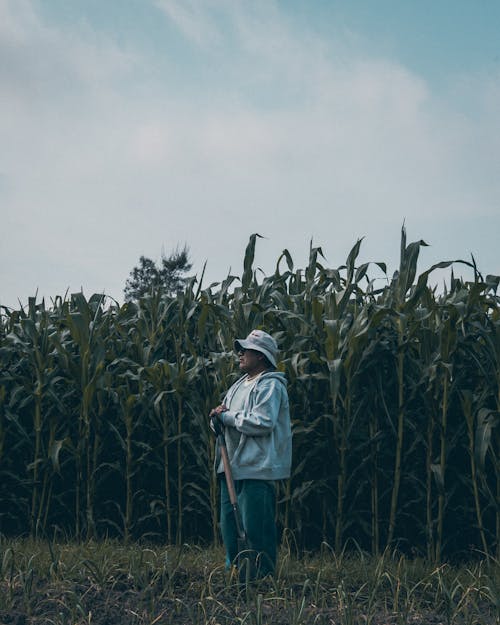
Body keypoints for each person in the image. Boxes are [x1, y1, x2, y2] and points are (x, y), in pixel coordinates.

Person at [210, 329, 292, 578]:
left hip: (256, 466)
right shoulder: (236, 387)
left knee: (256, 528)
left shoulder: (270, 386)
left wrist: (226, 416)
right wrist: (217, 417)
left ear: (262, 356)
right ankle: (236, 573)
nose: (240, 353)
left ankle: (263, 577)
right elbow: (225, 420)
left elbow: (262, 422)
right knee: (229, 526)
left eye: (247, 350)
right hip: (231, 465)